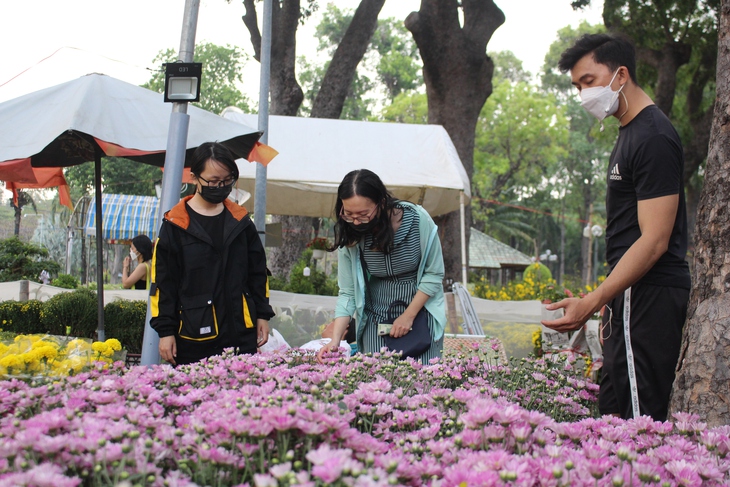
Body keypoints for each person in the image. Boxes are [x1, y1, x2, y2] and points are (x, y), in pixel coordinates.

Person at [543, 33, 691, 421]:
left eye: (588, 81)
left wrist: (593, 300)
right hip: (627, 297)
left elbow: (655, 239)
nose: (583, 94)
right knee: (613, 416)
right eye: (577, 86)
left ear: (621, 74)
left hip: (648, 296)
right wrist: (606, 299)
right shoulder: (630, 133)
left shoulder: (653, 136)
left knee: (640, 425)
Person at [149, 142, 273, 366]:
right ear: (195, 177)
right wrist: (166, 331)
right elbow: (163, 284)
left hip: (240, 334)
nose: (221, 186)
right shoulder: (175, 226)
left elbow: (258, 273)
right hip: (193, 336)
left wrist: (262, 314)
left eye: (226, 181)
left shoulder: (241, 222)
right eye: (213, 181)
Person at [317, 169, 446, 365]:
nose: (356, 221)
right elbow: (348, 292)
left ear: (382, 202)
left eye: (363, 214)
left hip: (420, 317)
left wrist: (408, 316)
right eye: (349, 214)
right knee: (376, 386)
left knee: (424, 385)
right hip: (375, 319)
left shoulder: (419, 220)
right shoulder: (351, 232)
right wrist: (335, 340)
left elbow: (434, 273)